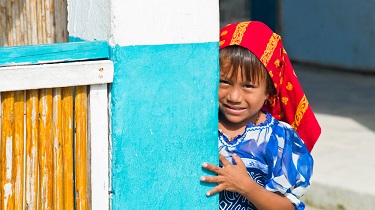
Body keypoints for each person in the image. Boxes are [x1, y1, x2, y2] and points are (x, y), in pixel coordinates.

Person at [200, 21, 321, 210]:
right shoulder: (201, 125)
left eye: (248, 86)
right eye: (224, 82)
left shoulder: (279, 140)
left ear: (268, 91)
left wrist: (246, 187)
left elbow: (288, 207)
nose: (234, 96)